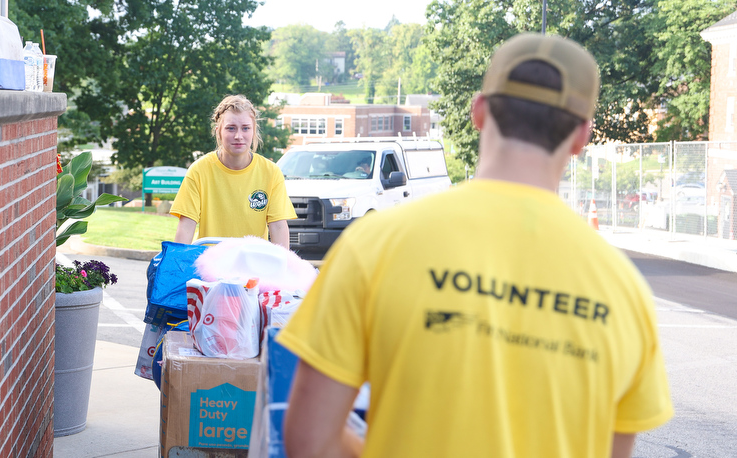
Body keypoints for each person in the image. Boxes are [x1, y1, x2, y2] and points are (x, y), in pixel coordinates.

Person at [277, 33, 673, 458]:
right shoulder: (624, 291)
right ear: (582, 136)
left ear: (480, 112)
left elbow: (310, 440)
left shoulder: (375, 244)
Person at [170, 95, 296, 249]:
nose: (238, 136)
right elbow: (186, 227)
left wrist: (282, 267)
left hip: (253, 265)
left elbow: (278, 227)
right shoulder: (199, 171)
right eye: (231, 128)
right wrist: (176, 265)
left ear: (253, 130)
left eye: (245, 128)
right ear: (219, 132)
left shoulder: (271, 172)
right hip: (210, 264)